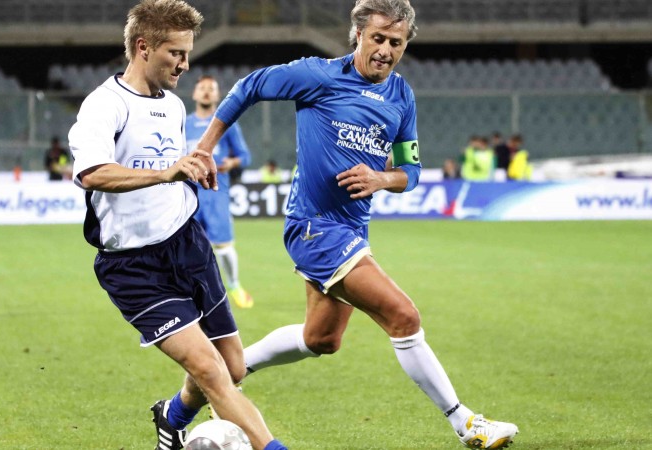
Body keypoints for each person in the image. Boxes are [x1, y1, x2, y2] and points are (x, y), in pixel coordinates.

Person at [192, 0, 518, 448]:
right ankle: (467, 424)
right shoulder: (318, 75)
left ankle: (224, 377)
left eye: (396, 42)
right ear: (358, 35)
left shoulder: (401, 96)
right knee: (403, 316)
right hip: (314, 226)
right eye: (378, 38)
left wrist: (382, 178)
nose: (385, 50)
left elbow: (412, 171)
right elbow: (249, 86)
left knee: (321, 339)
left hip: (351, 230)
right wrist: (208, 145)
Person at [66, 1, 287, 449]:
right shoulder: (102, 107)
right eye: (176, 54)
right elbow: (93, 173)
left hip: (188, 244)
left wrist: (192, 170)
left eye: (188, 54)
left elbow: (173, 165)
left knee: (233, 366)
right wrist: (166, 173)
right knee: (209, 370)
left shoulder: (173, 105)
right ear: (143, 48)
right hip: (133, 266)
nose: (185, 65)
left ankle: (173, 415)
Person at [186, 75, 255, 308]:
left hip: (216, 192)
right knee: (187, 247)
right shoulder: (183, 124)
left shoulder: (227, 124)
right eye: (202, 88)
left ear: (217, 95)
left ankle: (234, 284)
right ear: (195, 94)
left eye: (211, 89)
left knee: (224, 247)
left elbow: (245, 156)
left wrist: (231, 163)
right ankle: (192, 291)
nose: (206, 92)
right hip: (188, 194)